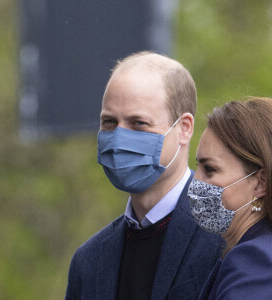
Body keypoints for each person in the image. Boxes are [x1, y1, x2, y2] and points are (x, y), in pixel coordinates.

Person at [65, 51, 222, 300]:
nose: (118, 138)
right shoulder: (88, 261)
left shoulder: (228, 236)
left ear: (184, 129)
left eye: (138, 123)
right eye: (109, 122)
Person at [188, 97, 272, 299]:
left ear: (261, 183)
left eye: (210, 169)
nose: (195, 180)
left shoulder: (254, 259)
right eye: (197, 166)